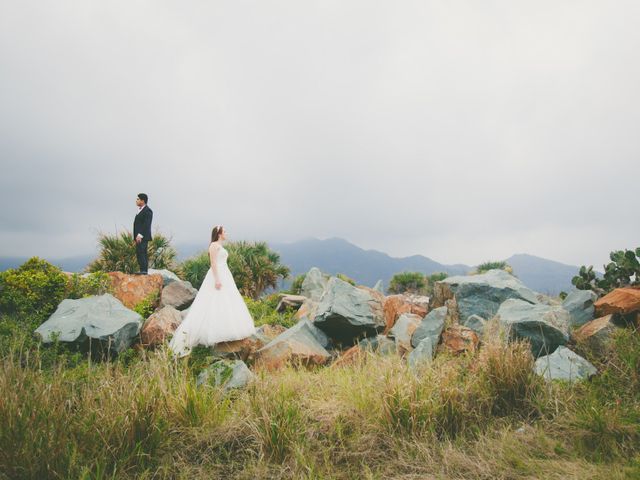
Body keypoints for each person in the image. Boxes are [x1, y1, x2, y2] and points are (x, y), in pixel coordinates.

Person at [169, 225, 257, 357]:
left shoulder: (220, 245)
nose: (226, 233)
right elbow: (213, 263)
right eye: (225, 231)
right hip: (217, 275)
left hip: (225, 274)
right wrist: (217, 279)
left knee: (227, 301)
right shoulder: (214, 245)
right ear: (219, 233)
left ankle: (228, 329)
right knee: (215, 301)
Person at [133, 193, 153, 274]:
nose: (136, 201)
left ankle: (144, 271)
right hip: (138, 237)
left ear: (142, 200)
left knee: (142, 252)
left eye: (138, 199)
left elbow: (146, 224)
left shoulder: (148, 211)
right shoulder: (140, 210)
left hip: (143, 236)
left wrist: (140, 235)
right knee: (139, 253)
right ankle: (142, 270)